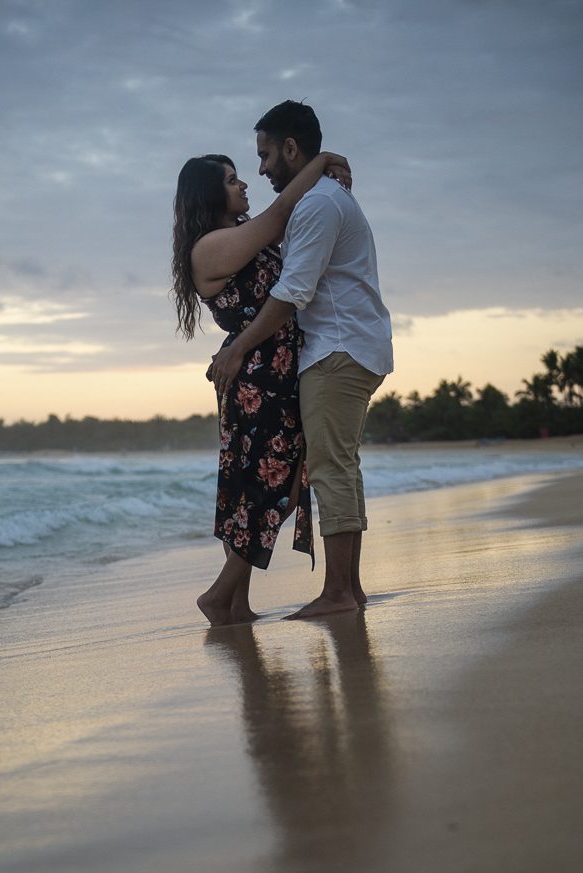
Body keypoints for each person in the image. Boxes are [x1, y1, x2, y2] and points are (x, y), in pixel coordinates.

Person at [211, 101, 394, 619]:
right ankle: (349, 590)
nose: (262, 168)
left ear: (292, 148)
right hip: (351, 345)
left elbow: (293, 290)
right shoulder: (319, 199)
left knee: (332, 468)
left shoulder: (317, 206)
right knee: (342, 465)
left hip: (337, 348)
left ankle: (338, 592)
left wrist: (238, 347)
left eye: (266, 155)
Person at [171, 146, 352, 626]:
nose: (244, 184)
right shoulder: (210, 246)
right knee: (276, 486)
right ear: (209, 195)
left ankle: (236, 603)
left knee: (259, 485)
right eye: (231, 180)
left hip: (274, 369)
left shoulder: (238, 238)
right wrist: (322, 161)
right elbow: (279, 215)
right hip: (257, 376)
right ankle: (218, 595)